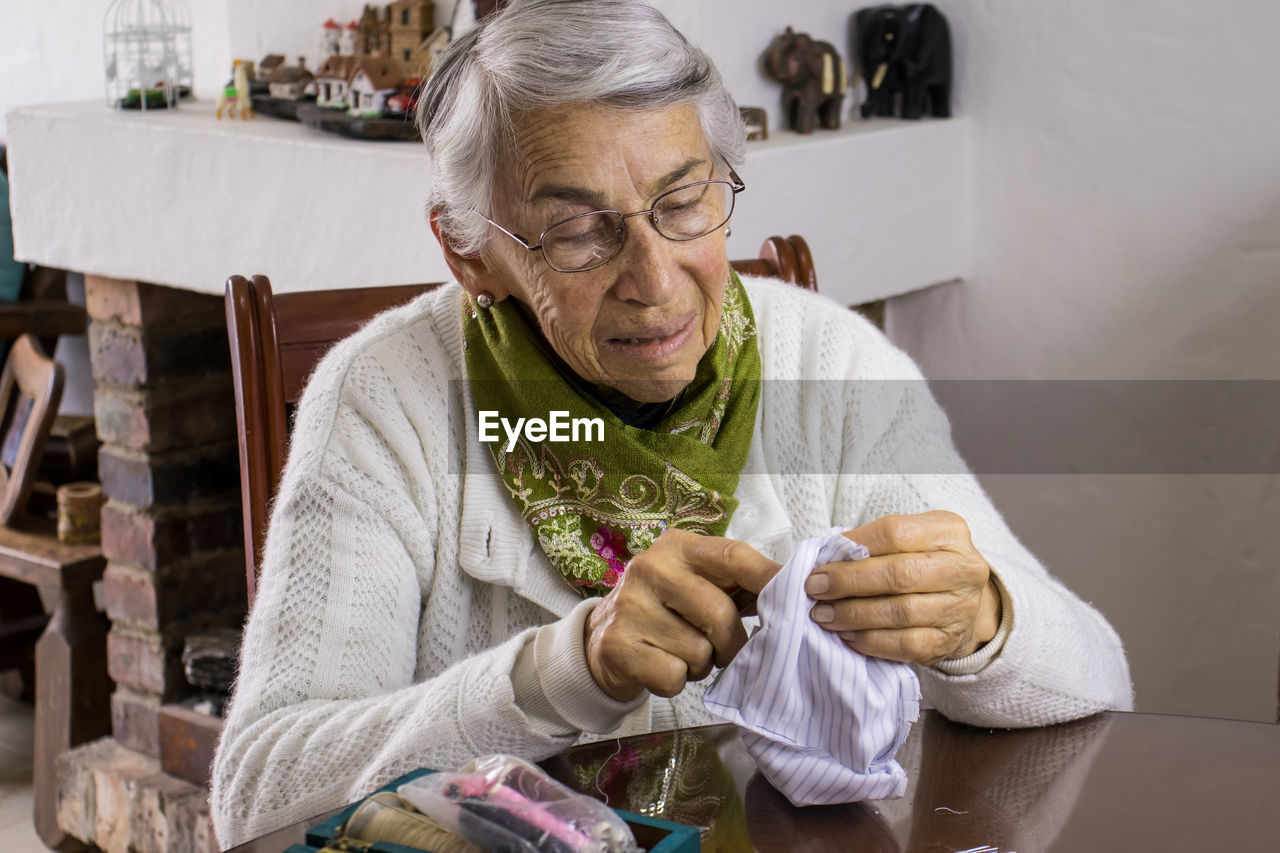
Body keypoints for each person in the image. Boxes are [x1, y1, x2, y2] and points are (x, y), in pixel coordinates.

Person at [210, 0, 1132, 846]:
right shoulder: (386, 398)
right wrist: (559, 672)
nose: (655, 280)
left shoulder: (829, 363)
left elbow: (1096, 679)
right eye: (578, 233)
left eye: (685, 203)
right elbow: (255, 793)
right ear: (468, 251)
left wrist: (985, 622)